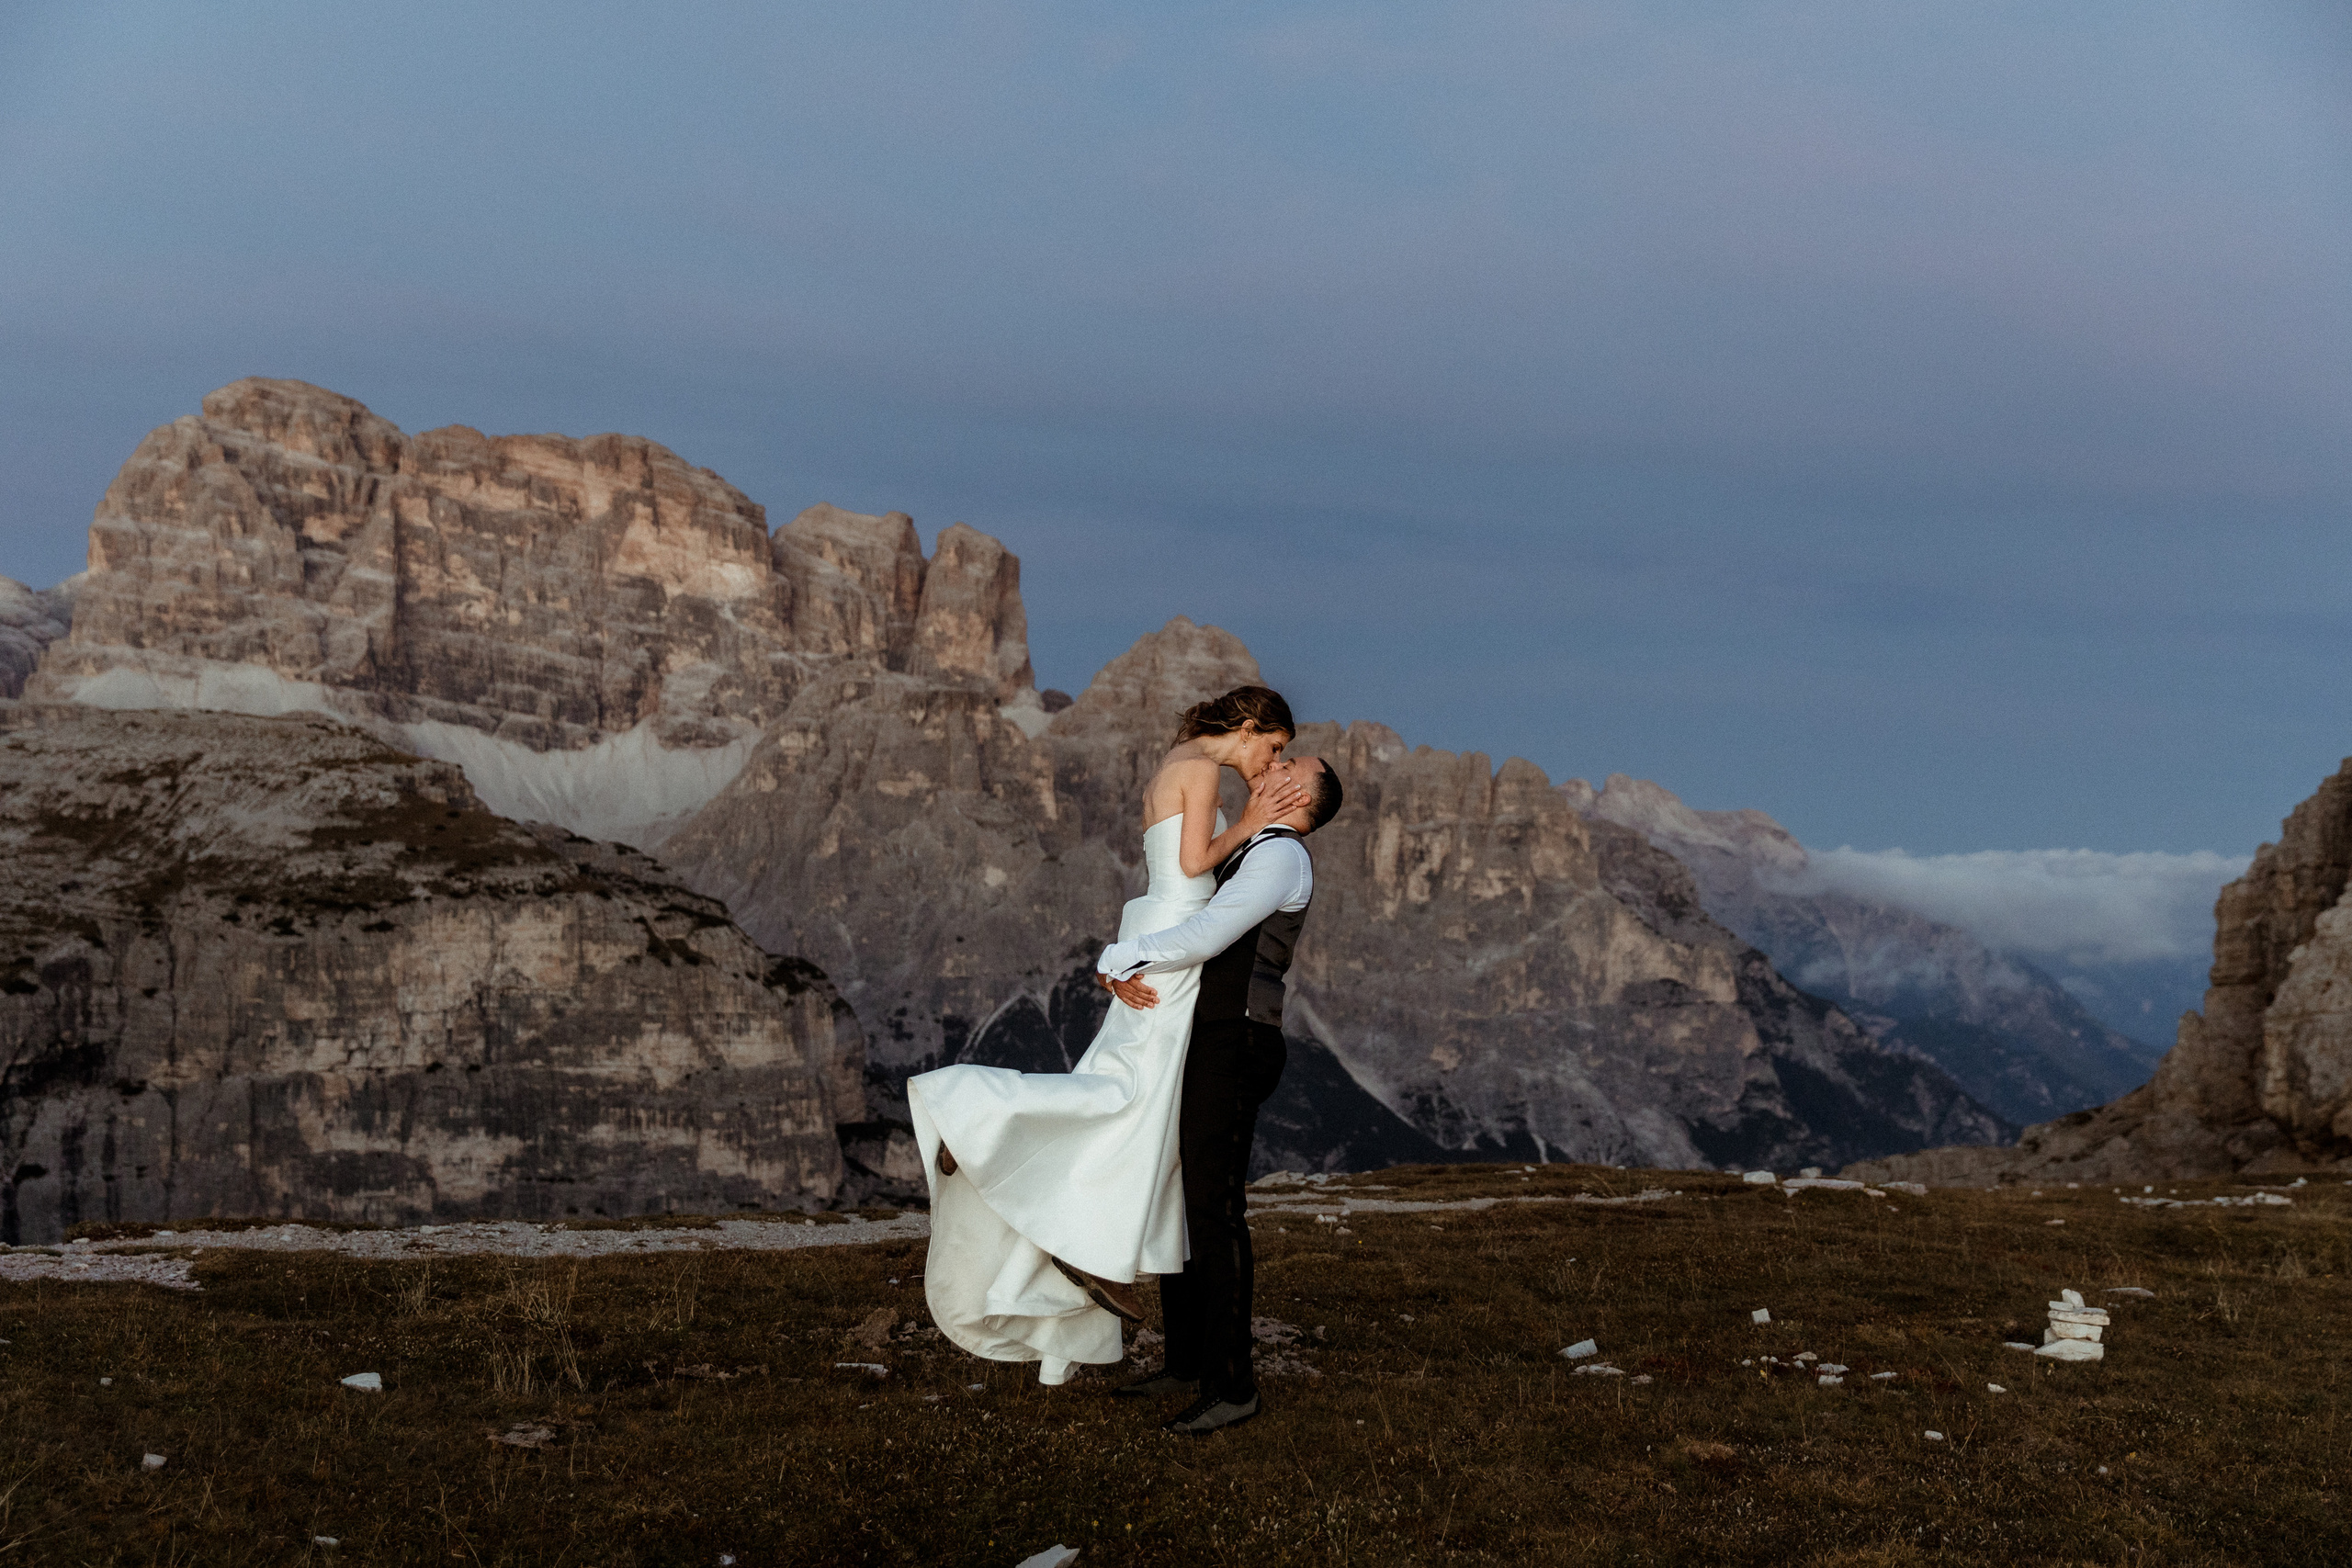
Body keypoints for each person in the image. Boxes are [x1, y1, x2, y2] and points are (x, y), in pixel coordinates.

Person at [907, 686, 1308, 1385]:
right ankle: (973, 1116)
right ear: (1249, 727)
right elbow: (1194, 863)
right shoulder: (1203, 768)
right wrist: (1249, 823)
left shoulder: (1174, 761)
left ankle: (1082, 1242)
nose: (1271, 764)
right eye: (1272, 747)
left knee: (1128, 1093)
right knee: (1132, 1098)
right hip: (1175, 937)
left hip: (1155, 925)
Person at [1094, 753, 1344, 1435]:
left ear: (1302, 796)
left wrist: (1121, 955)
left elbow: (1210, 933)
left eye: (1290, 764)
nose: (1275, 761)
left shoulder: (1282, 857)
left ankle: (1233, 1386)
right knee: (1185, 1204)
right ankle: (1185, 1362)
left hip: (1237, 1043)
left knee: (1214, 1209)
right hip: (1211, 1038)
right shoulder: (1256, 845)